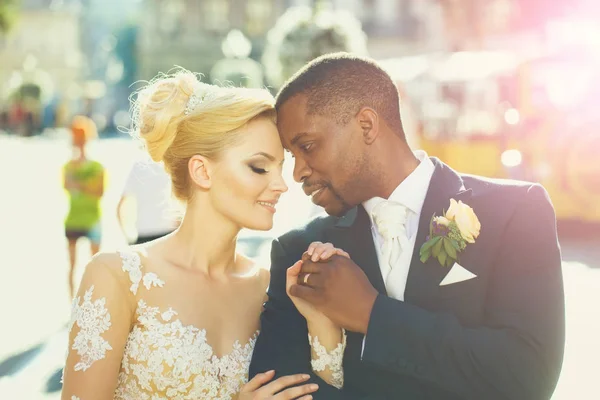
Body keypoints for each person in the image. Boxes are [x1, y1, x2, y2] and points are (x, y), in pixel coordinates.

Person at [250, 53, 565, 399]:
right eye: (293, 157)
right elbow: (279, 389)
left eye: (307, 147)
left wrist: (372, 314)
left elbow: (528, 378)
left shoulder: (515, 212)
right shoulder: (299, 253)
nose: (298, 173)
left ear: (366, 125)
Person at [61, 69, 344, 400]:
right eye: (259, 167)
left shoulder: (271, 286)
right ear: (202, 171)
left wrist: (319, 318)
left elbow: (320, 392)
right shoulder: (117, 277)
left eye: (281, 167)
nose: (282, 184)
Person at [63, 116, 105, 299]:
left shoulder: (97, 166)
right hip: (73, 219)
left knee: (96, 266)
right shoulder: (68, 167)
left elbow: (98, 191)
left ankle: (93, 302)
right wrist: (86, 184)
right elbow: (67, 185)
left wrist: (80, 184)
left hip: (93, 219)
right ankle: (72, 306)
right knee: (72, 265)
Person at [117, 157, 178, 244]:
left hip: (144, 233)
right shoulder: (172, 164)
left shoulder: (138, 167)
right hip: (168, 232)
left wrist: (127, 236)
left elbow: (120, 205)